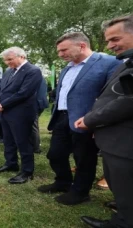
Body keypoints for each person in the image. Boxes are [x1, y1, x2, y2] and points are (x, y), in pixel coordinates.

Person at [38, 32, 121, 206]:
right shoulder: (68, 67)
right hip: (61, 117)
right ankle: (63, 182)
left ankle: (80, 192)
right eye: (59, 51)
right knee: (55, 154)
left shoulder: (109, 63)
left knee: (84, 158)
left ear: (82, 45)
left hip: (86, 120)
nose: (60, 55)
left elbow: (111, 96)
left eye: (64, 50)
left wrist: (96, 121)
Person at [74, 14, 133, 228]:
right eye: (108, 40)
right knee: (121, 184)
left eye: (115, 39)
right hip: (115, 137)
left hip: (125, 142)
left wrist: (91, 120)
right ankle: (124, 207)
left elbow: (127, 102)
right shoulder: (126, 62)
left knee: (125, 182)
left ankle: (122, 222)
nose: (109, 46)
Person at [0, 47, 42, 184]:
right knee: (8, 140)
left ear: (22, 57)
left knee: (23, 142)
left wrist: (2, 104)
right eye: (6, 60)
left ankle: (27, 171)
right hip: (6, 112)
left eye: (10, 59)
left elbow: (24, 93)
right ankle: (11, 163)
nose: (7, 63)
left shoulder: (33, 71)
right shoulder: (8, 71)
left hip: (21, 112)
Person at [30, 77, 49, 153]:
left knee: (33, 126)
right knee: (33, 125)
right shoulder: (42, 78)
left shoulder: (34, 78)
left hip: (35, 104)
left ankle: (36, 147)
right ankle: (34, 145)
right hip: (40, 103)